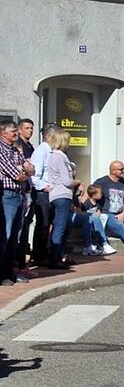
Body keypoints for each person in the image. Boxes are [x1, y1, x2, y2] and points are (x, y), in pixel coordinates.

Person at [46, 129, 96, 267]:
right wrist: (78, 181)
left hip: (58, 195)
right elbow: (67, 181)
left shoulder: (54, 156)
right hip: (61, 195)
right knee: (60, 227)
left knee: (64, 226)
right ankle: (54, 259)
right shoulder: (59, 157)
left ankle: (58, 256)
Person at [0, 120, 35, 285]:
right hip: (7, 196)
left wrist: (25, 171)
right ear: (3, 133)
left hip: (20, 195)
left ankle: (10, 271)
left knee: (16, 236)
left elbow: (31, 170)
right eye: (13, 131)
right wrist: (23, 171)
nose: (16, 134)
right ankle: (2, 274)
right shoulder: (1, 150)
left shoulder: (16, 150)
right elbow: (18, 174)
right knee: (5, 236)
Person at [29, 123, 60, 266]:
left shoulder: (54, 151)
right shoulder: (41, 151)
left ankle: (45, 253)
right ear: (49, 136)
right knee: (43, 224)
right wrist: (46, 187)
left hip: (53, 193)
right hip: (43, 194)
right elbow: (35, 176)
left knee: (49, 225)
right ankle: (38, 255)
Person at [14, 118, 37, 280]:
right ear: (20, 130)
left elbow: (32, 169)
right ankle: (16, 265)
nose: (30, 131)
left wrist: (29, 169)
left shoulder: (30, 147)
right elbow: (22, 170)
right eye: (27, 128)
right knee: (17, 231)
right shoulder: (18, 147)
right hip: (20, 192)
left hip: (29, 190)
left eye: (32, 128)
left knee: (25, 229)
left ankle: (22, 265)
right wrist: (27, 169)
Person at [79, 184, 117, 255]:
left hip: (97, 224)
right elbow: (83, 212)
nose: (102, 195)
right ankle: (103, 244)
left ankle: (102, 245)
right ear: (93, 195)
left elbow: (99, 211)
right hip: (90, 224)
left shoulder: (98, 203)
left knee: (105, 216)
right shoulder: (86, 204)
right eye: (100, 193)